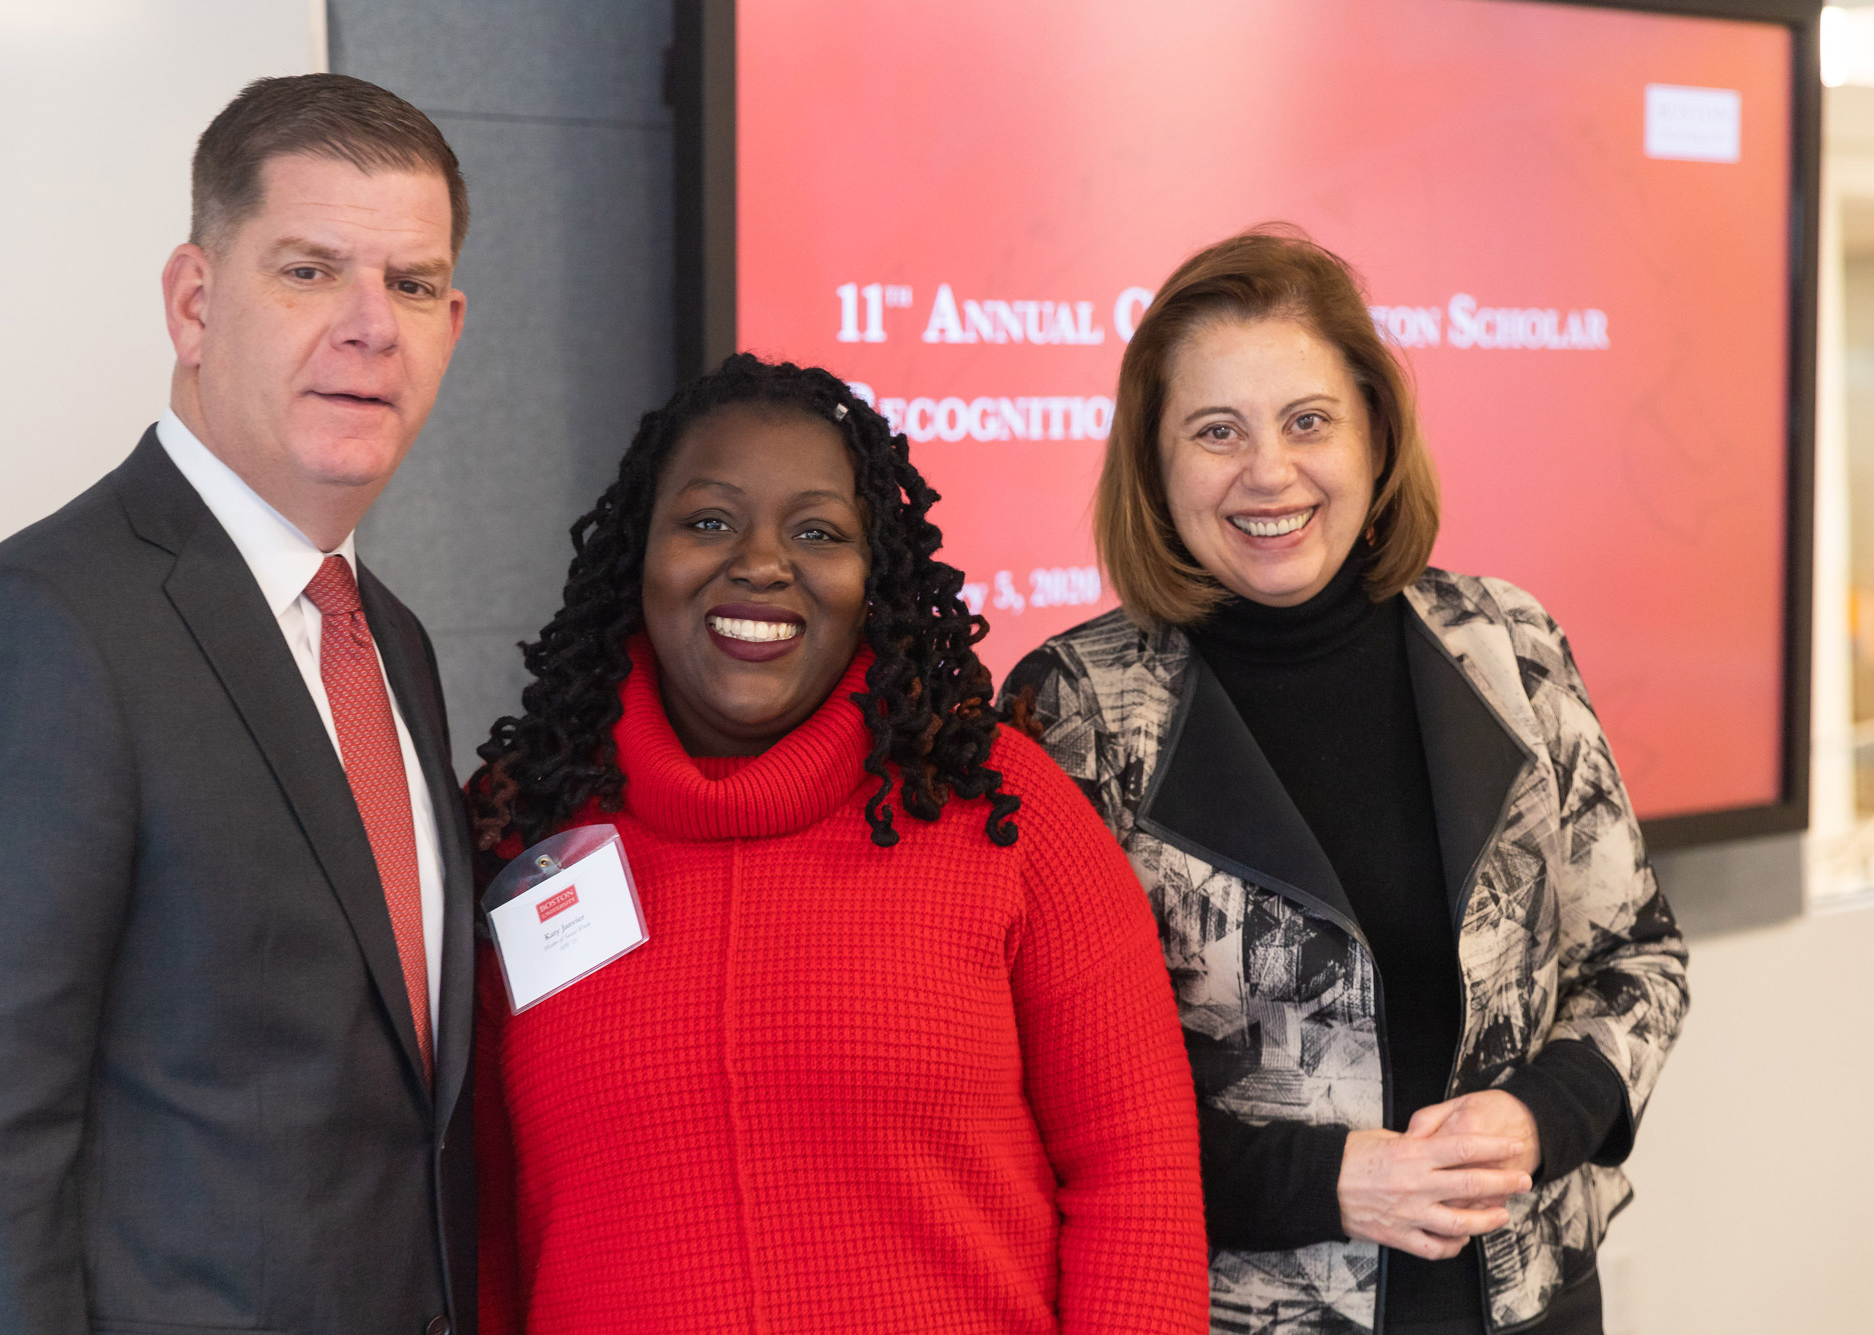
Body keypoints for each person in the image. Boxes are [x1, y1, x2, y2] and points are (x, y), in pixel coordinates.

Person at [1000, 229, 1689, 1335]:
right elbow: (1038, 1090)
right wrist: (1325, 1179)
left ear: (1374, 433)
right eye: (1214, 431)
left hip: (1532, 1302)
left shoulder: (1506, 645)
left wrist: (1539, 1116)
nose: (1266, 471)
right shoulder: (1072, 710)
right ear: (1153, 465)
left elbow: (1634, 955)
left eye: (1306, 420)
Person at [0, 75, 476, 1334]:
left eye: (411, 285)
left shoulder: (393, 646)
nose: (372, 327)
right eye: (310, 271)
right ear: (194, 304)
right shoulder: (39, 631)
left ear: (453, 324)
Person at [466, 353, 1210, 1335]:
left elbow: (1137, 1175)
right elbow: (474, 1216)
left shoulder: (1000, 806)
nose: (762, 562)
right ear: (634, 557)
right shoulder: (522, 830)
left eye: (817, 532)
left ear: (878, 578)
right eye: (706, 522)